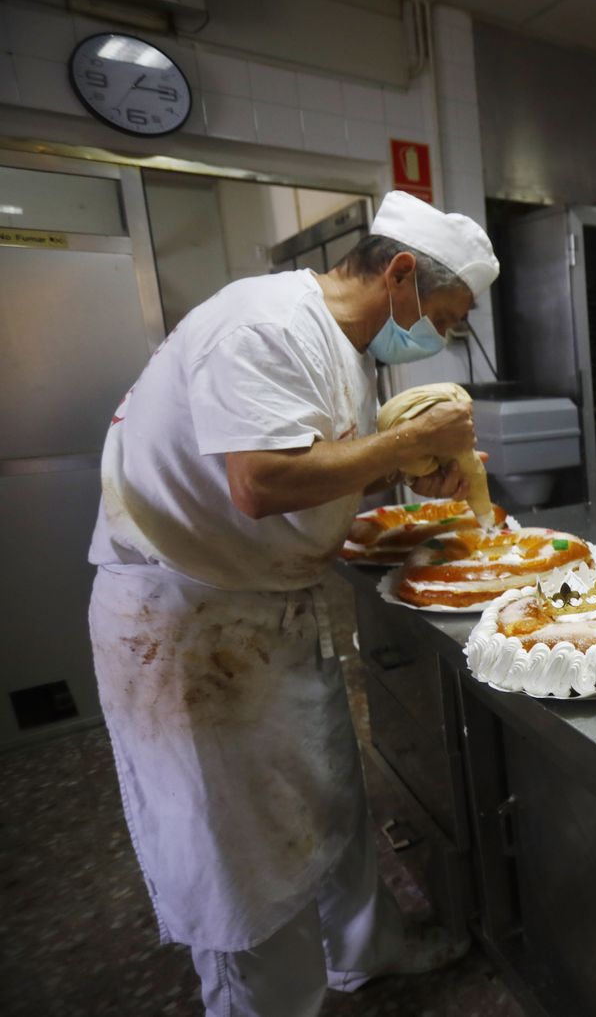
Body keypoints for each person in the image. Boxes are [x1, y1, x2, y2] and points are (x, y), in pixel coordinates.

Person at [86, 190, 499, 1016]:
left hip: (266, 606)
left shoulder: (341, 346)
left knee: (326, 798)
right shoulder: (264, 324)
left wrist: (400, 472)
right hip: (191, 624)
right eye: (444, 319)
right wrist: (411, 442)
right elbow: (261, 483)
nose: (440, 337)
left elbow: (316, 466)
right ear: (401, 274)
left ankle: (365, 951)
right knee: (245, 850)